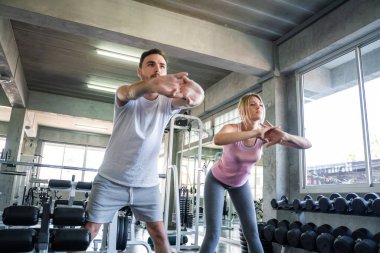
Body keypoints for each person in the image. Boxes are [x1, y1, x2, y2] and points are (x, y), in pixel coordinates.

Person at [83, 48, 204, 253]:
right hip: (110, 180)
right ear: (140, 71)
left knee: (159, 233)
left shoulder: (166, 104)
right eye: (151, 64)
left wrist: (193, 89)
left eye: (162, 66)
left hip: (146, 184)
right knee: (89, 231)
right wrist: (156, 83)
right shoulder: (127, 95)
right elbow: (128, 92)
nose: (158, 69)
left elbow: (196, 98)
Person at [199, 93, 311, 253]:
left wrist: (285, 136)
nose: (258, 106)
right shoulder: (233, 128)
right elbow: (218, 139)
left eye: (261, 105)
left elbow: (307, 144)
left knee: (252, 233)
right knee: (213, 233)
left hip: (240, 183)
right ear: (242, 110)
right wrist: (255, 133)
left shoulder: (267, 133)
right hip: (217, 179)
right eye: (252, 104)